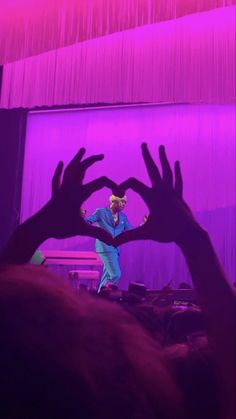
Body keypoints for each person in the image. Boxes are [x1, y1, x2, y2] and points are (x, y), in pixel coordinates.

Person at [85, 195, 132, 292]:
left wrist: (142, 225)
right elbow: (88, 222)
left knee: (107, 276)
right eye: (122, 202)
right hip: (105, 247)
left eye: (125, 202)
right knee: (116, 274)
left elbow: (130, 231)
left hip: (115, 249)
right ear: (114, 201)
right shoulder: (101, 212)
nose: (124, 204)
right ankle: (105, 293)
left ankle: (100, 297)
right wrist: (80, 218)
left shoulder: (123, 217)